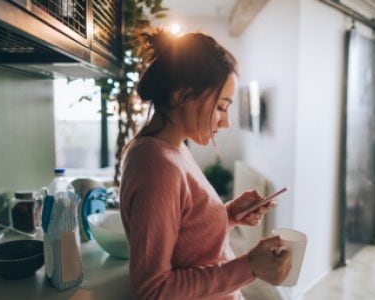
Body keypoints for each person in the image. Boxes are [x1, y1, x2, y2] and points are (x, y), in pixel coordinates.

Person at [119, 28, 291, 299]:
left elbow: (185, 236)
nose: (226, 122)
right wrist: (250, 266)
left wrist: (230, 214)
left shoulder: (172, 150)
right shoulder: (157, 166)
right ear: (180, 94)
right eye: (222, 107)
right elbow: (153, 290)